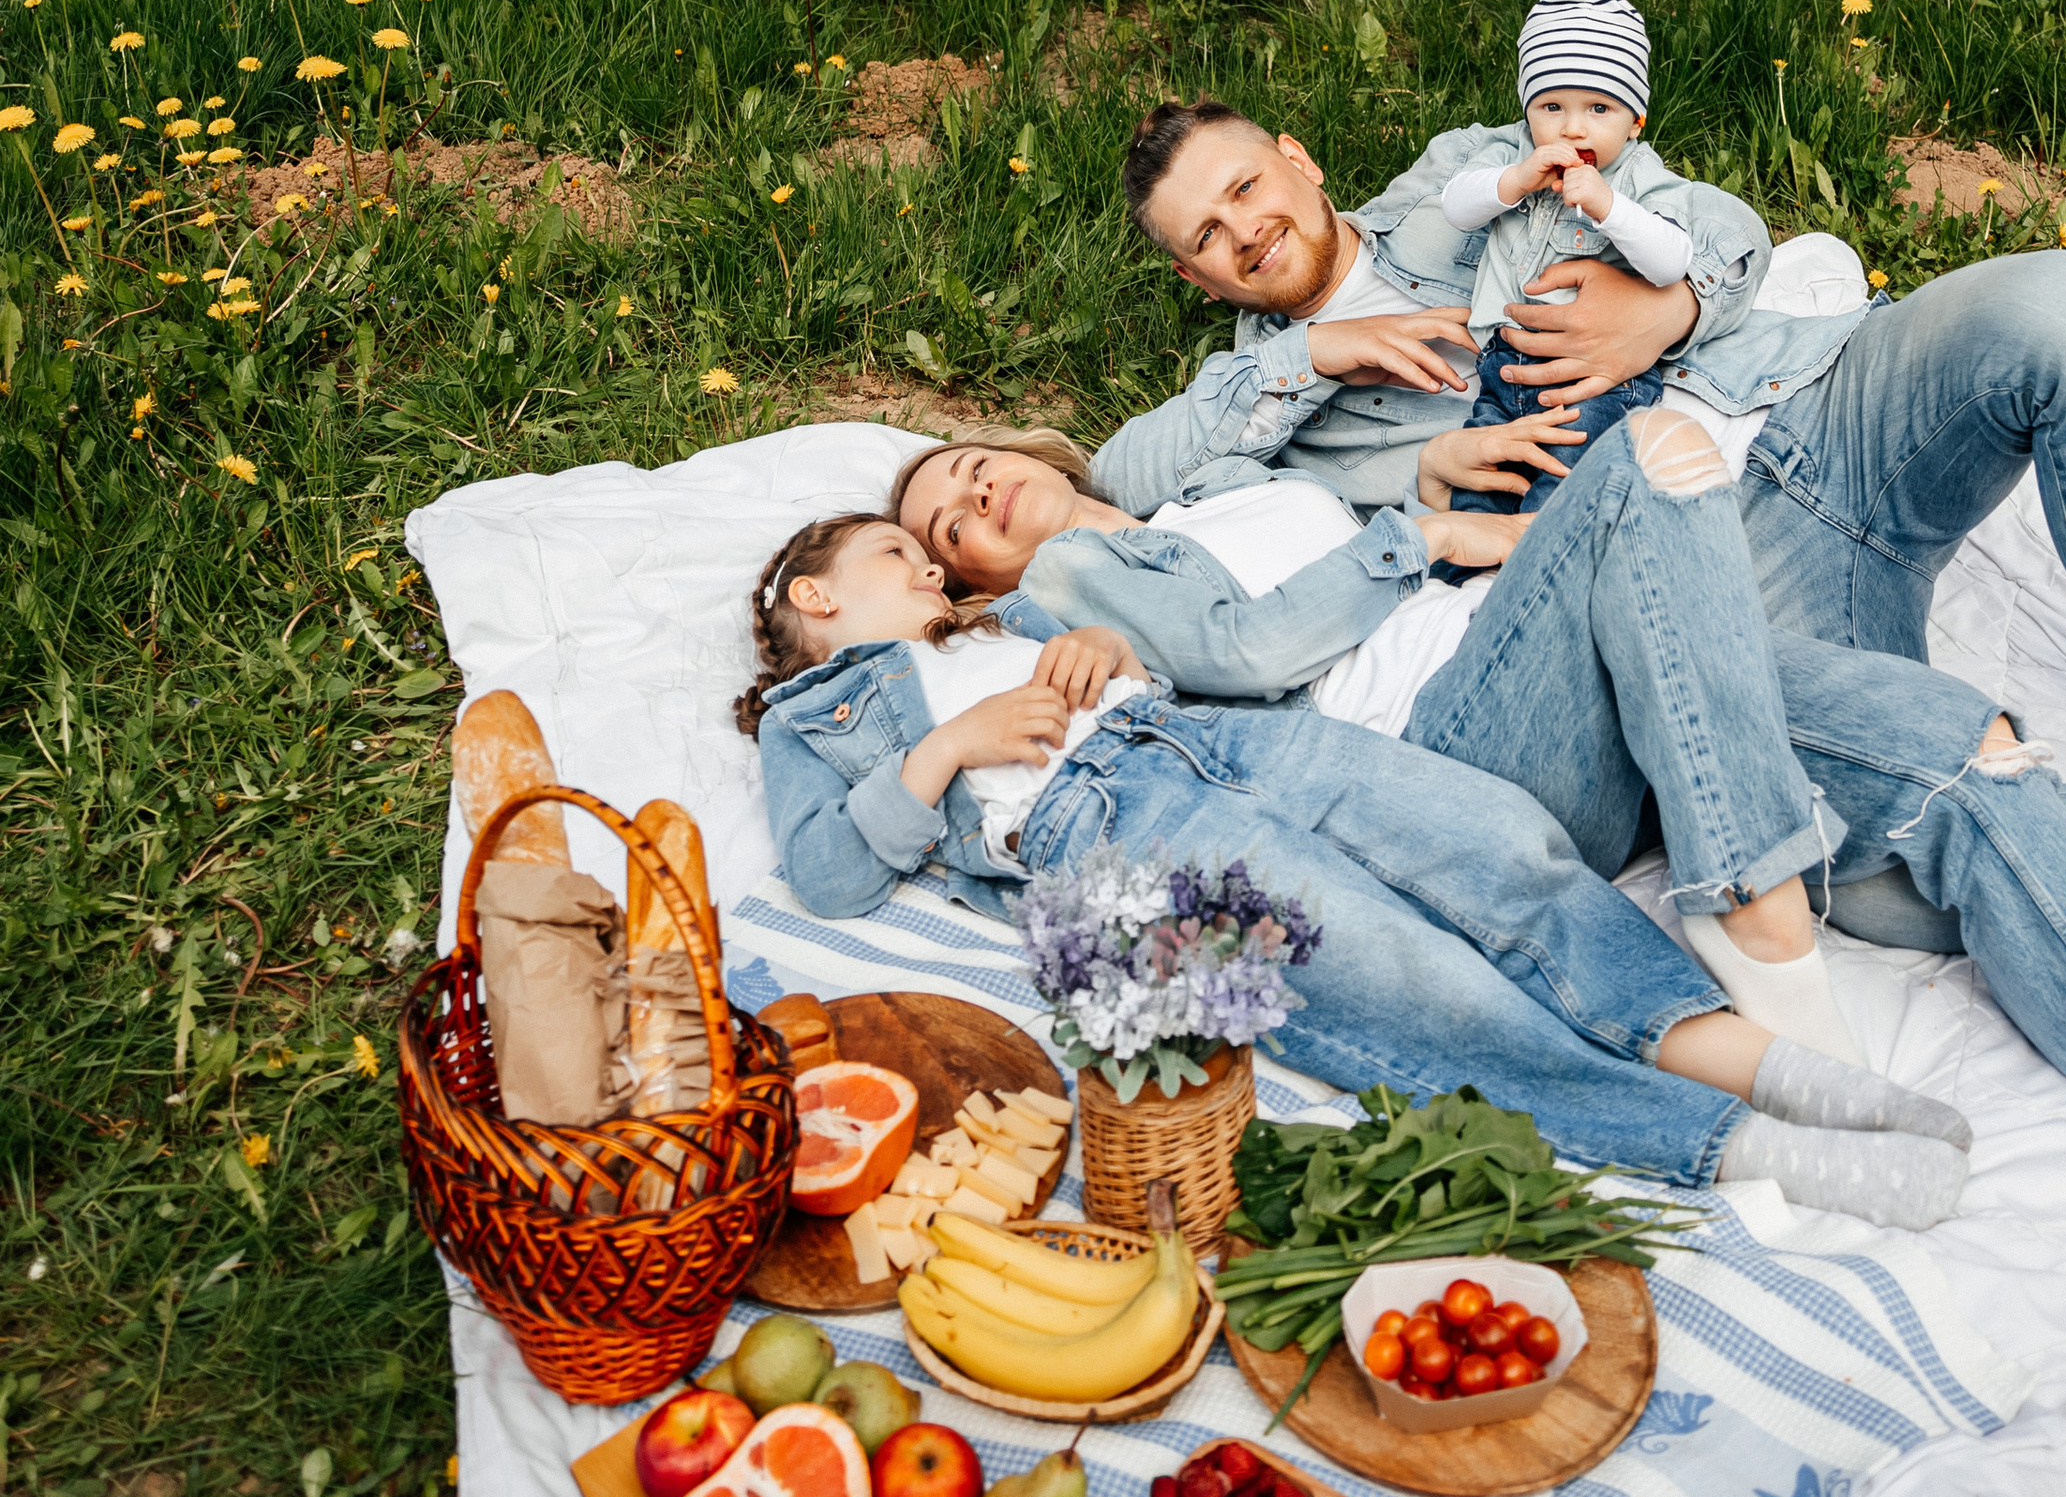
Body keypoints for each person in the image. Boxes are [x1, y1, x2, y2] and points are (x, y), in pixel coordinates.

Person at [896, 411, 2066, 1322]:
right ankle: (1765, 930)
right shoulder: (1063, 614)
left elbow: (1274, 424)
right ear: (964, 588)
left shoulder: (1220, 484)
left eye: (976, 465)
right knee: (1665, 488)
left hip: (1594, 669)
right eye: (951, 526)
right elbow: (1230, 662)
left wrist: (1413, 498)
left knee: (1944, 786)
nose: (979, 503)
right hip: (1467, 750)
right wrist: (1411, 543)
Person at [1095, 95, 2066, 817]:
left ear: (1299, 163)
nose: (1246, 231)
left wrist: (1672, 307)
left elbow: (1722, 222)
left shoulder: (1474, 175)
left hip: (1810, 420)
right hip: (1714, 585)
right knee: (1908, 842)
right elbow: (1125, 480)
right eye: (1206, 236)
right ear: (1192, 279)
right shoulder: (1254, 415)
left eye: (1248, 186)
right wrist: (1312, 357)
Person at [737, 506, 1981, 1225]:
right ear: (817, 592)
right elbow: (829, 875)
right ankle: (1742, 1147)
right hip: (1103, 833)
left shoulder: (1003, 620)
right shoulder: (815, 720)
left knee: (1498, 847)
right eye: (896, 553)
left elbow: (1139, 657)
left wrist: (1104, 643)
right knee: (1390, 970)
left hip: (1214, 737)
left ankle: (1786, 1071)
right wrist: (945, 748)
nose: (929, 567)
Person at [1431, 0, 1742, 511]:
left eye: (1599, 109)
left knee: (1563, 489)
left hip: (1597, 379)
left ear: (1635, 121)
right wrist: (1516, 180)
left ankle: (1543, 560)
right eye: (1551, 106)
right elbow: (1457, 206)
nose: (1572, 129)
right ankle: (1466, 581)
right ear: (1528, 106)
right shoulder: (1512, 153)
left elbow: (1671, 262)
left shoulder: (1641, 177)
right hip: (1503, 369)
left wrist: (1609, 208)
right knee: (1482, 485)